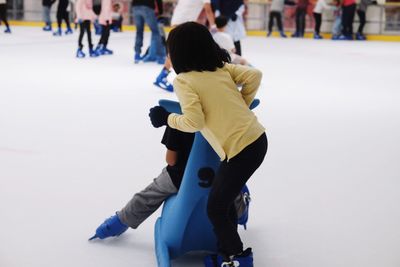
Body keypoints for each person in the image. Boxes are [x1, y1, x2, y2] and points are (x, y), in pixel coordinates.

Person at [149, 22, 267, 267]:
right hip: (255, 140)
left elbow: (194, 122)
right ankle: (226, 250)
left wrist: (165, 118)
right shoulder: (221, 68)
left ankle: (238, 258)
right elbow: (254, 75)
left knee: (216, 206)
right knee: (221, 199)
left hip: (241, 148)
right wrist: (241, 103)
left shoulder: (184, 81)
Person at [89, 127, 249, 240]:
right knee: (233, 192)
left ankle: (119, 222)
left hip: (179, 178)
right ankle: (242, 213)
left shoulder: (177, 117)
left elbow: (171, 160)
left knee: (148, 196)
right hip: (220, 177)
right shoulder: (224, 115)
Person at [153, 0, 216, 92]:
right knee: (178, 52)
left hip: (178, 21)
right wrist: (214, 27)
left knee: (176, 51)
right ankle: (165, 76)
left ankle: (163, 75)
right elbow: (208, 10)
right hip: (182, 24)